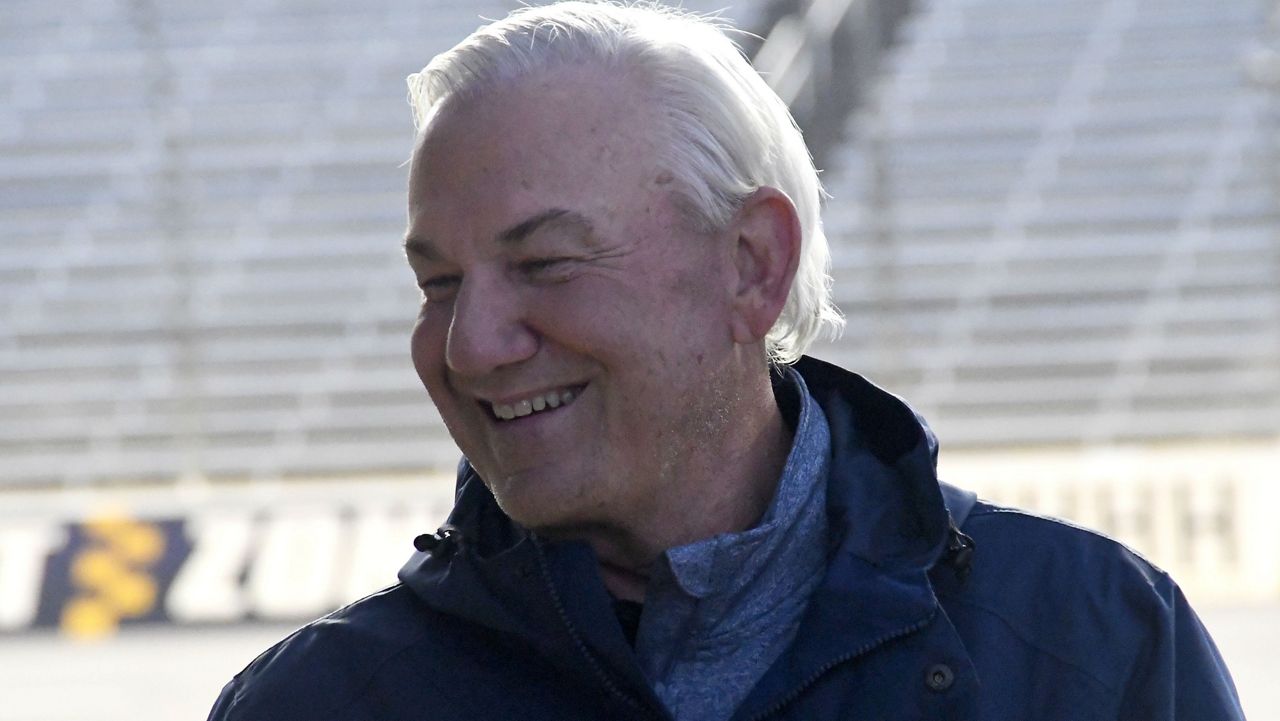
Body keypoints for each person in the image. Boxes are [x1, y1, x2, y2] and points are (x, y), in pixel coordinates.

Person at [208, 2, 1245, 719]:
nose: (469, 346)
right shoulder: (313, 701)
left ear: (750, 266)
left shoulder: (1097, 646)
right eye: (438, 284)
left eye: (544, 263)